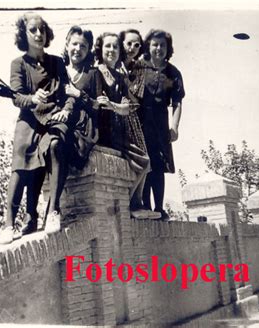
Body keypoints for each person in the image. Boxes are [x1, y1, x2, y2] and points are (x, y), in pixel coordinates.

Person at [0, 12, 74, 244]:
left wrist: (67, 110)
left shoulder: (57, 63)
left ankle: (53, 211)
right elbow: (17, 97)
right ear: (24, 34)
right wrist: (32, 99)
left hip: (54, 117)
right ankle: (9, 223)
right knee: (20, 161)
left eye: (42, 29)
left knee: (56, 145)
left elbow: (69, 92)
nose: (39, 34)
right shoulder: (18, 64)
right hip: (29, 118)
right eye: (33, 30)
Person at [93, 32, 152, 219]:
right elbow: (99, 103)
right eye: (107, 46)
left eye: (115, 47)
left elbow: (127, 108)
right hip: (104, 131)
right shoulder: (97, 72)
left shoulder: (119, 77)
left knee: (145, 162)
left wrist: (113, 106)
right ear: (100, 49)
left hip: (119, 129)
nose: (111, 50)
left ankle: (133, 203)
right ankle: (131, 204)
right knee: (143, 162)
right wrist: (113, 107)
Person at [129, 29, 185, 221]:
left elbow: (177, 103)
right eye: (155, 44)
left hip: (160, 125)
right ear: (148, 46)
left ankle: (160, 208)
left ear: (168, 48)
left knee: (159, 165)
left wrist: (174, 127)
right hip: (140, 122)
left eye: (162, 45)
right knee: (145, 163)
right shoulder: (139, 67)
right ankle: (144, 205)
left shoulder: (173, 73)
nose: (158, 48)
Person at [62, 26, 100, 170]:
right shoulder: (60, 70)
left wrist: (79, 94)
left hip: (82, 127)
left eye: (83, 46)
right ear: (67, 45)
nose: (78, 49)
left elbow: (98, 106)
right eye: (74, 44)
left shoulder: (92, 73)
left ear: (88, 49)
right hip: (60, 119)